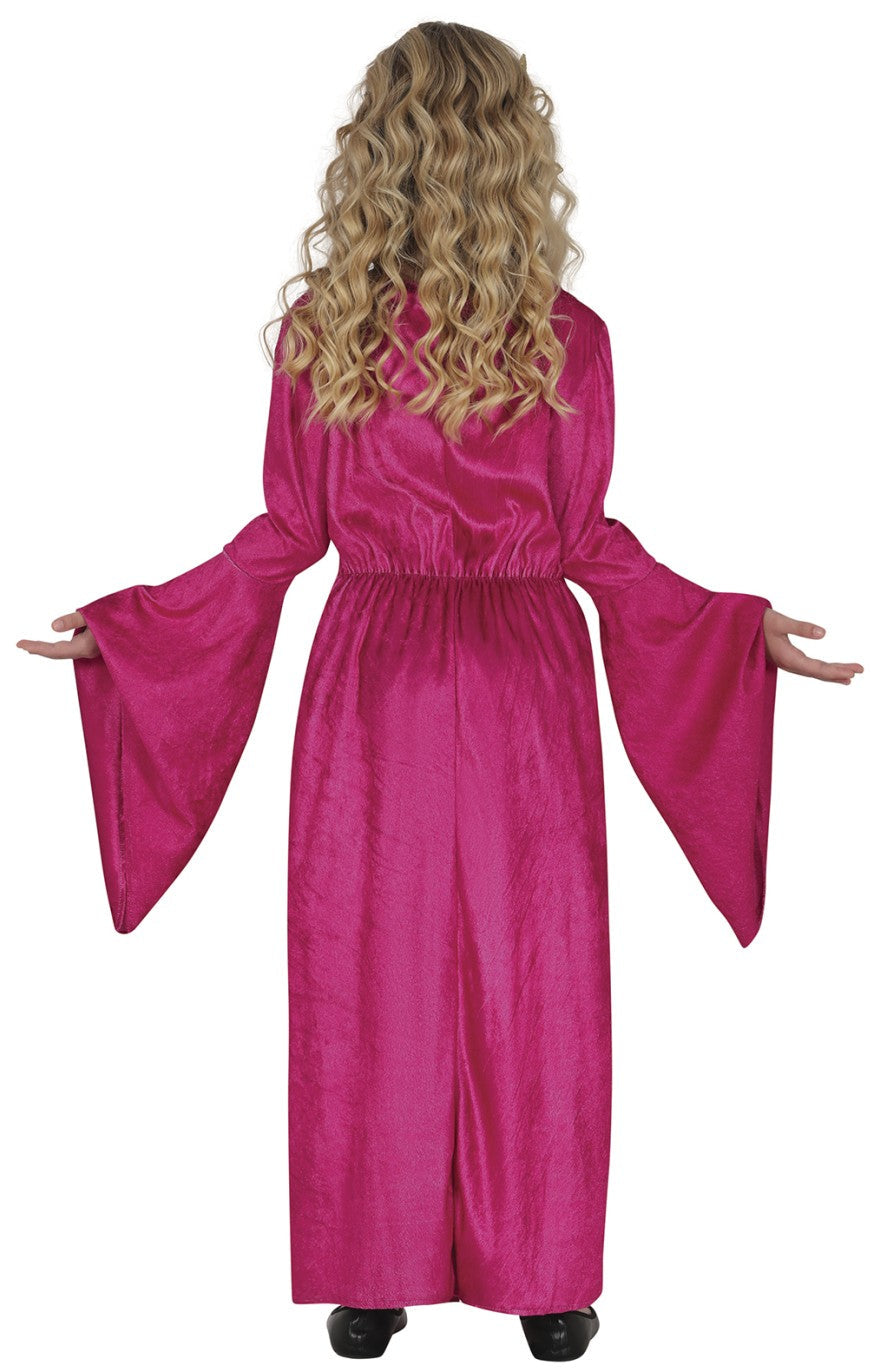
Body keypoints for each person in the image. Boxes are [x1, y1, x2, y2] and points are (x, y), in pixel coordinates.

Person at [16, 20, 863, 1364]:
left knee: (372, 964)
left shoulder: (330, 332)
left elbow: (284, 535)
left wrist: (138, 633)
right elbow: (587, 542)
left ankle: (377, 1271)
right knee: (535, 968)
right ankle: (545, 1279)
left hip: (378, 677)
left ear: (376, 152)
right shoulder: (567, 340)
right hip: (522, 677)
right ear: (519, 149)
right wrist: (729, 630)